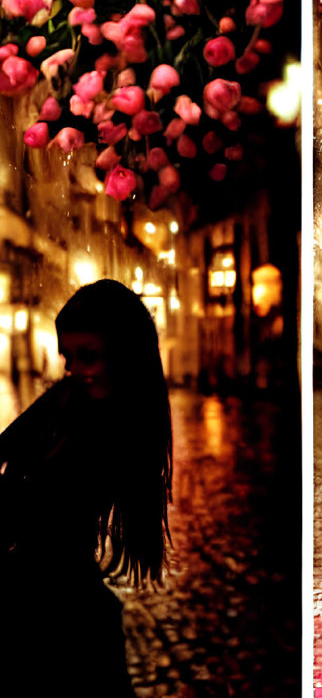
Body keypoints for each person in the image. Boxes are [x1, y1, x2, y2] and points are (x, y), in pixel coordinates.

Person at [0, 279, 173, 696]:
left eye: (89, 356)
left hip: (54, 613)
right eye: (69, 358)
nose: (75, 370)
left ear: (124, 356)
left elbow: (43, 518)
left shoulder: (117, 429)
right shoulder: (70, 400)